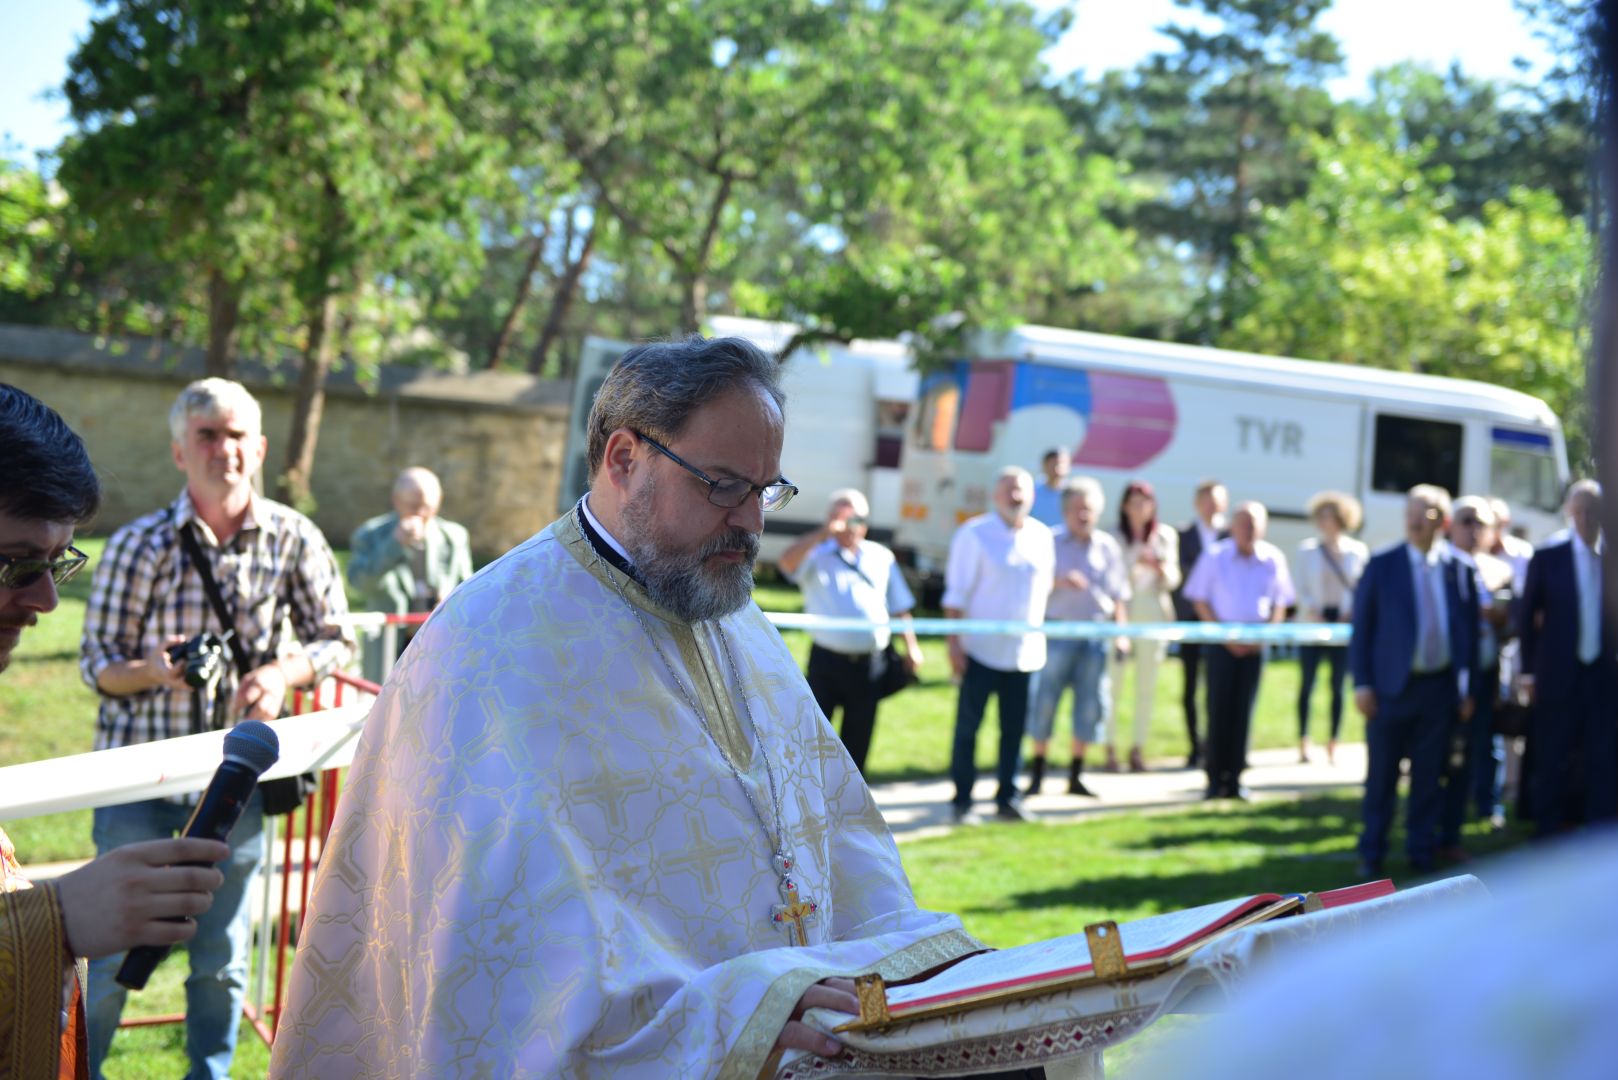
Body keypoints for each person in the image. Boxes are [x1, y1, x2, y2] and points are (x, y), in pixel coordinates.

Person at [269, 338, 993, 1079]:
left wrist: (924, 959)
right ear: (623, 459)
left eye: (766, 490)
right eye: (722, 485)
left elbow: (835, 828)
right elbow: (508, 956)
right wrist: (736, 1016)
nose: (750, 522)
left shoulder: (740, 619)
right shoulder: (489, 645)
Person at [80, 378, 353, 1080]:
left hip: (237, 784)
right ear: (179, 451)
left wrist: (284, 673)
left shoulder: (295, 537)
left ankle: (209, 1073)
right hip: (140, 773)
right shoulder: (140, 544)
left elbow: (337, 638)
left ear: (258, 448)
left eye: (236, 435)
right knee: (112, 953)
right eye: (207, 435)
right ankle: (79, 1070)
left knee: (223, 959)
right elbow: (97, 667)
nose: (223, 450)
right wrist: (152, 670)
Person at [0, 384, 229, 1080]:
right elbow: (97, 665)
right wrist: (57, 918)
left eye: (59, 563)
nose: (44, 599)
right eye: (16, 563)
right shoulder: (143, 545)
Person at [1349, 485, 1478, 876]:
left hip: (1438, 691)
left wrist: (1466, 688)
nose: (1413, 520)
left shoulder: (1459, 570)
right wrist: (1362, 684)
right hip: (1390, 690)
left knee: (1427, 778)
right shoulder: (1382, 565)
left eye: (1423, 512)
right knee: (1382, 778)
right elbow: (1363, 629)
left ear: (1442, 521)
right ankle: (1372, 853)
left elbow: (1468, 634)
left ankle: (1421, 853)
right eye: (1409, 511)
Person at [777, 488, 923, 774]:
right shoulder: (817, 553)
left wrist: (912, 647)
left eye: (855, 518)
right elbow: (786, 563)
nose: (849, 525)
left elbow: (899, 606)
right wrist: (824, 533)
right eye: (841, 517)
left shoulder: (881, 555)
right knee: (816, 739)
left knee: (858, 742)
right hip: (828, 661)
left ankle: (852, 812)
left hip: (869, 664)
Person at [943, 467, 1056, 824]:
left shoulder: (1041, 536)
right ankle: (963, 799)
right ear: (996, 495)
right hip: (979, 651)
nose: (1016, 497)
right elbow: (955, 595)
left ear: (1032, 496)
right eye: (1009, 490)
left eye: (1021, 490)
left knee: (1015, 731)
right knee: (968, 729)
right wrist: (954, 644)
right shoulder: (974, 534)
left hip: (1025, 654)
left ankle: (1009, 797)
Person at [1518, 479, 1615, 838]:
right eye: (1580, 511)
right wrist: (1527, 672)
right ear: (1569, 514)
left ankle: (1601, 830)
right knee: (1552, 752)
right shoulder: (1548, 558)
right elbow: (1526, 618)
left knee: (1602, 753)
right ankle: (1547, 827)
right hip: (1557, 672)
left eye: (1593, 511)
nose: (1586, 519)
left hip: (1603, 675)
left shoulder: (1610, 559)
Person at [1182, 501, 1293, 800]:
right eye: (1243, 523)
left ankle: (1236, 778)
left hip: (1255, 648)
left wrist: (1264, 637)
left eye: (1254, 524)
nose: (1249, 530)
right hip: (1222, 646)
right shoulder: (1216, 556)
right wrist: (1224, 636)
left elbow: (1281, 602)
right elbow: (1199, 599)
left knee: (1245, 711)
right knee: (1218, 710)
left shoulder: (1272, 558)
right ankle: (1214, 778)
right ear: (1232, 526)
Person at [1026, 477, 1128, 798]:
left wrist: (1121, 633)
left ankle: (1075, 773)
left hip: (1094, 636)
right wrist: (1059, 581)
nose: (1083, 516)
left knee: (1089, 706)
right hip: (1056, 632)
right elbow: (1033, 586)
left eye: (1088, 510)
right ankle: (1038, 773)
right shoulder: (1049, 542)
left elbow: (1119, 595)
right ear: (1065, 510)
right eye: (1076, 509)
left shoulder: (1107, 547)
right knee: (1044, 702)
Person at [347, 466, 474, 683]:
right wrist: (393, 545)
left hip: (438, 643)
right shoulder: (371, 534)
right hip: (388, 645)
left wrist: (451, 597)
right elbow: (360, 583)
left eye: (427, 507)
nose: (420, 515)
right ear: (396, 500)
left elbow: (470, 589)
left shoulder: (454, 536)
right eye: (413, 506)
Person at [1441, 496, 1515, 844]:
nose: (1473, 530)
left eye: (1481, 523)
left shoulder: (1500, 569)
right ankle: (1442, 815)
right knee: (1449, 743)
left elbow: (1515, 621)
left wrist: (1502, 619)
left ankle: (1488, 805)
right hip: (1450, 674)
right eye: (1466, 521)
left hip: (1488, 668)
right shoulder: (1439, 565)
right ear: (1451, 526)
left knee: (1489, 740)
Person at [1109, 480, 1180, 773]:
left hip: (1152, 609)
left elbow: (1174, 578)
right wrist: (1132, 559)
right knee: (1113, 681)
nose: (1140, 509)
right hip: (1122, 610)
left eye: (1145, 502)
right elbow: (1111, 578)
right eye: (1134, 502)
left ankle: (1138, 746)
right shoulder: (1114, 536)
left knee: (1146, 684)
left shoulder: (1164, 536)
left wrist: (1159, 568)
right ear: (1125, 506)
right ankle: (1109, 747)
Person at [1293, 491, 1368, 765]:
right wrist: (1313, 612)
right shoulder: (1307, 550)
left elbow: (1361, 588)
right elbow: (1300, 588)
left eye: (1330, 516)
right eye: (1322, 516)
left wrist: (1349, 614)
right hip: (1313, 622)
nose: (1326, 521)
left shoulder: (1356, 551)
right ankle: (1304, 739)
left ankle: (1333, 741)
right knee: (1307, 683)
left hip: (1343, 623)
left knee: (1338, 685)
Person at [1174, 479, 1227, 768]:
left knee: (1217, 684)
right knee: (1191, 684)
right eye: (1207, 500)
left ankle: (1216, 743)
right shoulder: (1184, 535)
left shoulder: (1231, 535)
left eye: (1216, 500)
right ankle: (1195, 745)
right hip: (1191, 618)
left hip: (1220, 618)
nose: (1212, 506)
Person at [1488, 496, 1536, 591]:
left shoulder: (1524, 552)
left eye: (1497, 523)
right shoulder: (1471, 555)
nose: (1491, 529)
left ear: (1507, 522)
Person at [1029, 446, 1071, 527]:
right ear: (1044, 465)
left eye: (1061, 463)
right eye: (1053, 464)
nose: (1057, 468)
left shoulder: (1071, 493)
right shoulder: (1032, 491)